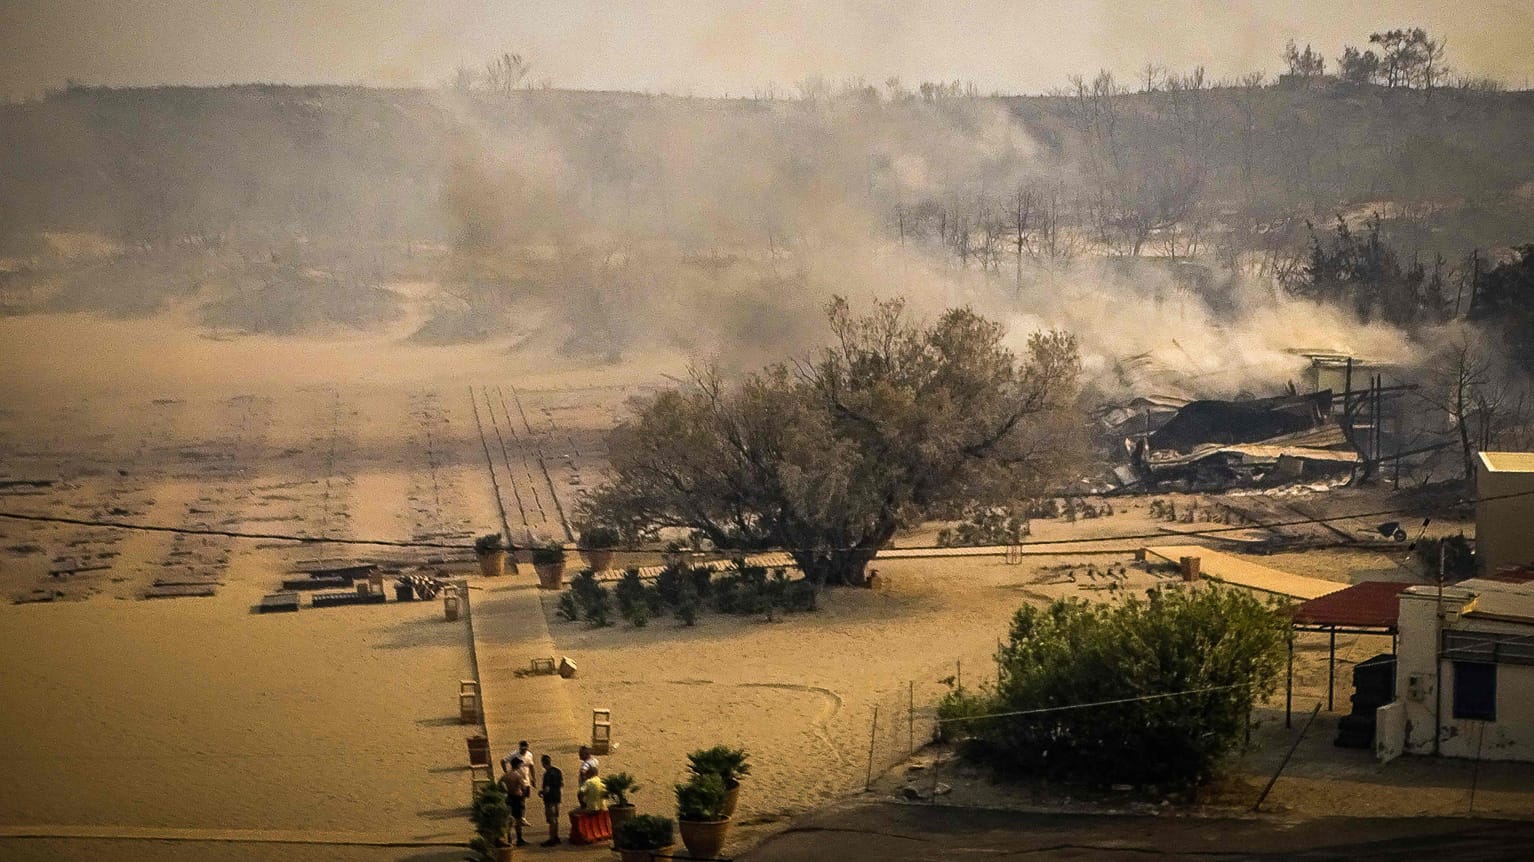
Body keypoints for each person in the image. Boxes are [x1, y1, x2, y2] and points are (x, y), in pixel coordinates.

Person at [499, 756, 531, 847]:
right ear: (517, 765)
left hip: (508, 798)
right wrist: (523, 794)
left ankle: (509, 839)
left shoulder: (505, 776)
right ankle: (519, 839)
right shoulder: (518, 775)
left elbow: (500, 786)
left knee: (509, 819)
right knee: (518, 820)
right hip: (517, 798)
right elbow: (523, 787)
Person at [538, 753, 563, 846]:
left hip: (550, 799)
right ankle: (556, 836)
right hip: (557, 797)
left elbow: (547, 789)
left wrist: (541, 793)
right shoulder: (558, 771)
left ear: (543, 763)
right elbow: (561, 784)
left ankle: (551, 839)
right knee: (556, 818)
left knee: (551, 819)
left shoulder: (547, 774)